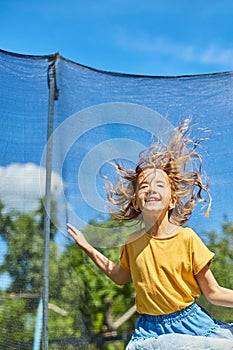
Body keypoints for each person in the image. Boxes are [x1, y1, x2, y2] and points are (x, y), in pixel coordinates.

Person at [67, 119, 233, 349]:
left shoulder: (187, 239)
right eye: (144, 186)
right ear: (136, 201)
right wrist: (88, 247)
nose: (151, 189)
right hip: (148, 330)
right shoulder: (132, 242)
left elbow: (213, 293)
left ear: (172, 200)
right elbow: (120, 276)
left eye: (159, 185)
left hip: (190, 325)